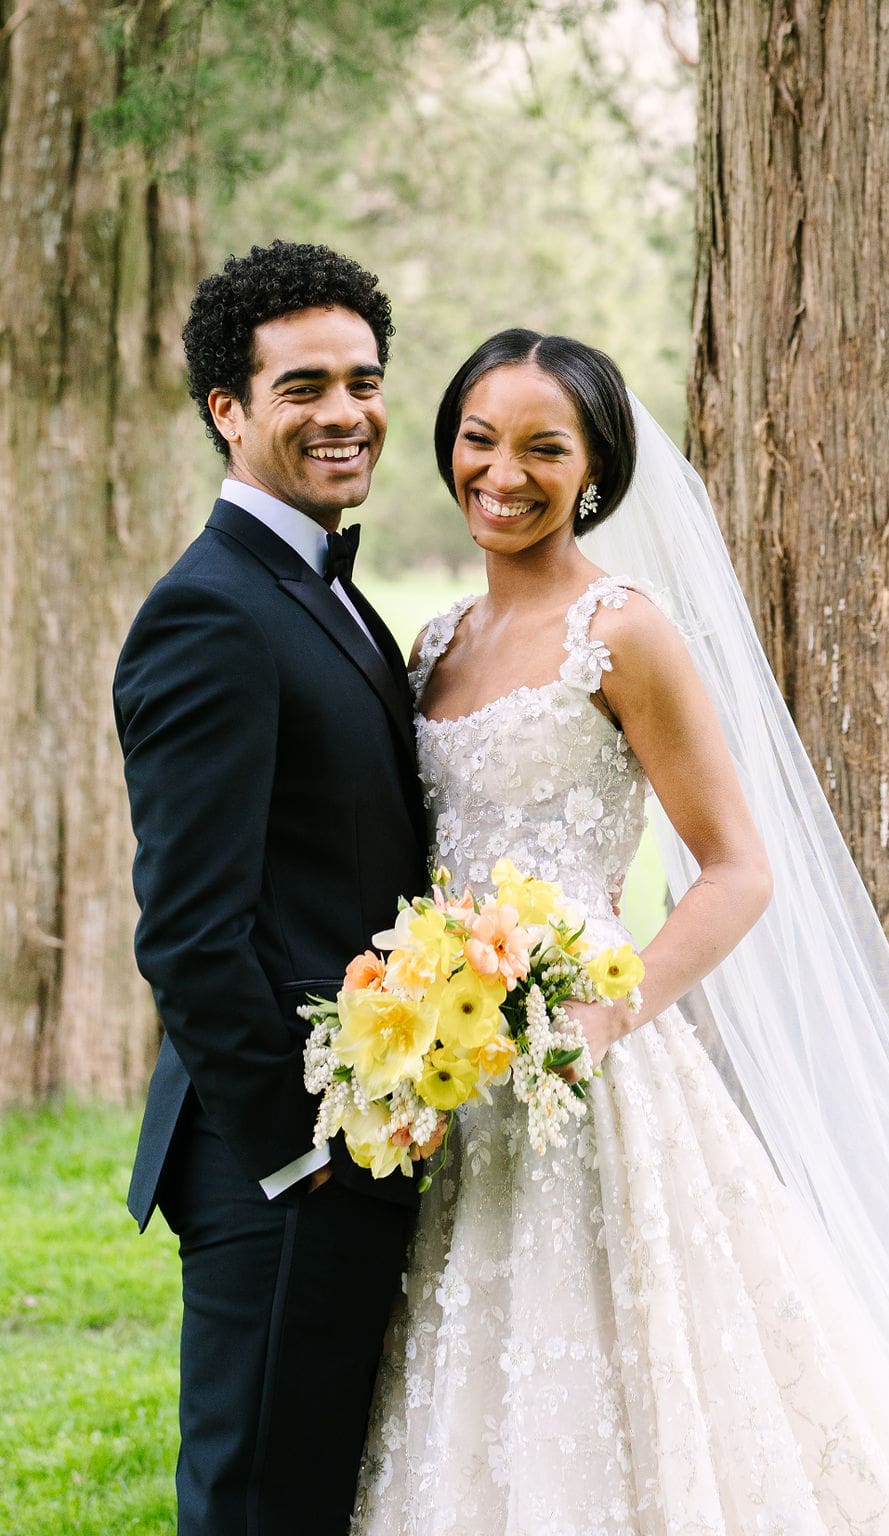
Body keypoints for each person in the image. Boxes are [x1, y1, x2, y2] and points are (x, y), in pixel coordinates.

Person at [350, 330, 889, 1534]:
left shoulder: (624, 631)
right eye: (479, 439)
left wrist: (601, 1014)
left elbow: (735, 868)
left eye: (542, 448)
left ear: (596, 469)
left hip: (590, 1073)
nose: (502, 472)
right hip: (457, 1077)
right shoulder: (435, 641)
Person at [113, 240, 430, 1535]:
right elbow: (188, 936)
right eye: (303, 386)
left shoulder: (325, 592)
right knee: (257, 1506)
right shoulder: (212, 613)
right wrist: (307, 1157)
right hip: (284, 1156)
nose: (344, 412)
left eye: (362, 379)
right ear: (227, 410)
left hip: (360, 1136)